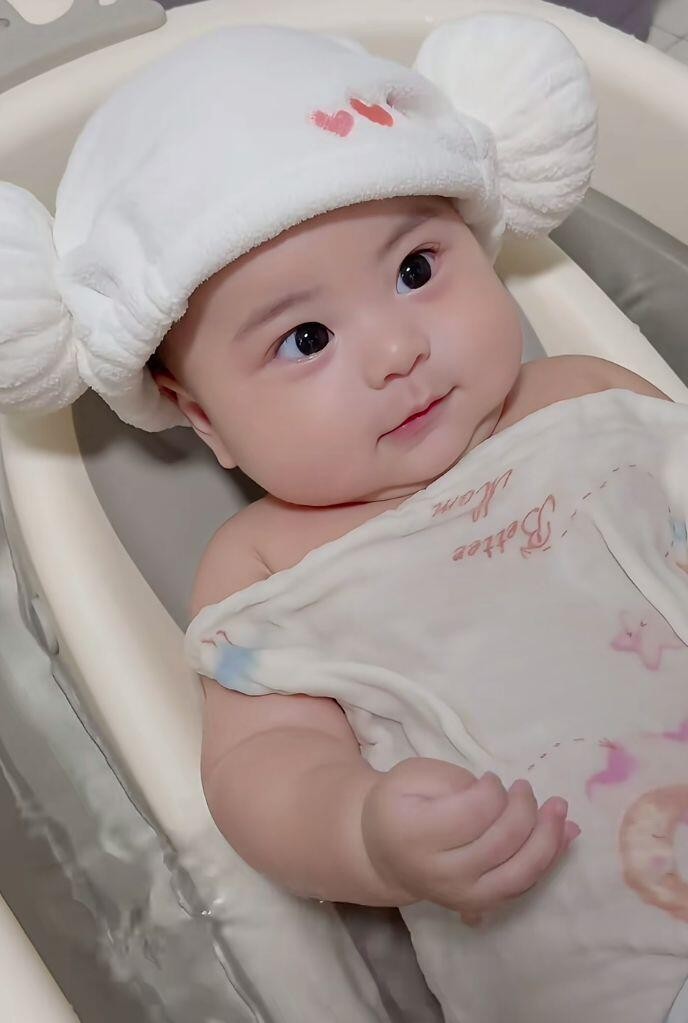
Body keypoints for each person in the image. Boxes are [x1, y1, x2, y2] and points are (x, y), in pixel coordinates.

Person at [0, 15, 686, 1023]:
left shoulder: (586, 395)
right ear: (203, 419)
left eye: (416, 270)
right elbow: (261, 769)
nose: (396, 351)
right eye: (306, 338)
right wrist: (362, 830)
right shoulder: (266, 566)